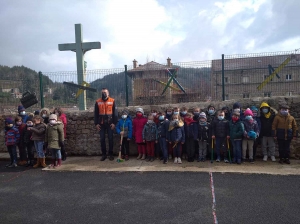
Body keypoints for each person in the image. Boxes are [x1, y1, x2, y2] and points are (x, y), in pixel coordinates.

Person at [94, 88, 118, 161]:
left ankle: (110, 154)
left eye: (105, 92)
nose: (104, 94)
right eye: (102, 92)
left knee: (110, 139)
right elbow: (95, 114)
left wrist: (114, 123)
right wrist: (96, 124)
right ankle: (103, 155)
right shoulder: (98, 102)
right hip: (101, 124)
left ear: (108, 93)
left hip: (110, 123)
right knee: (102, 139)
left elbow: (115, 113)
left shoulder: (112, 101)